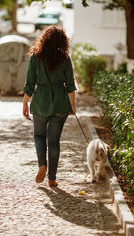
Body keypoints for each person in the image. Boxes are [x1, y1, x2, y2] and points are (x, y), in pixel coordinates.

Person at [23, 25, 76, 187]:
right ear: (62, 41)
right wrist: (73, 107)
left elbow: (29, 84)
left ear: (43, 39)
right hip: (60, 102)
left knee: (39, 136)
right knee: (54, 142)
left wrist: (25, 103)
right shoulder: (65, 58)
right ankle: (52, 178)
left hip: (40, 101)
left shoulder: (35, 57)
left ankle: (42, 165)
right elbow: (71, 85)